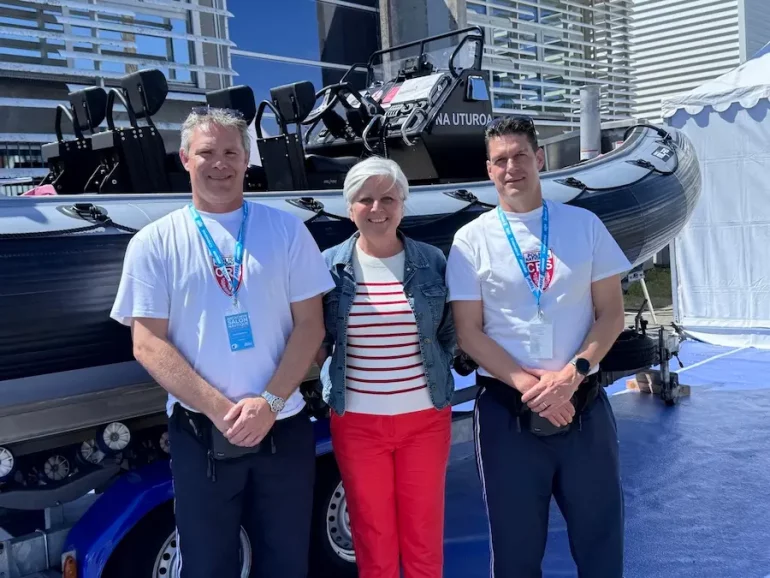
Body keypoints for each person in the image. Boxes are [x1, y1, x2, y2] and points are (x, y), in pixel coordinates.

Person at [110, 106, 335, 578]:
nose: (220, 163)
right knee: (207, 564)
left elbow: (311, 326)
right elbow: (147, 343)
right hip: (201, 433)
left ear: (247, 159)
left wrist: (269, 404)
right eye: (207, 152)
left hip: (283, 426)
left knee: (286, 562)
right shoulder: (154, 243)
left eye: (231, 152)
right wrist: (219, 409)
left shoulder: (287, 231)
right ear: (185, 158)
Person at [445, 116, 631, 577]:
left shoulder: (584, 225)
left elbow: (611, 313)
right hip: (508, 413)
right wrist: (535, 388)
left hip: (582, 405)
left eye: (520, 155)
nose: (511, 167)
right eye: (500, 160)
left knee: (601, 546)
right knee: (516, 554)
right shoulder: (471, 240)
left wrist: (572, 376)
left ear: (540, 159)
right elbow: (468, 331)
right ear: (489, 169)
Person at [316, 156, 456, 578]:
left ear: (402, 204)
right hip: (358, 423)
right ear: (349, 207)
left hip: (425, 420)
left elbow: (448, 331)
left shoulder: (432, 261)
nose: (377, 208)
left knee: (423, 535)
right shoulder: (329, 266)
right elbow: (317, 337)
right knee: (372, 536)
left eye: (388, 199)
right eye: (365, 199)